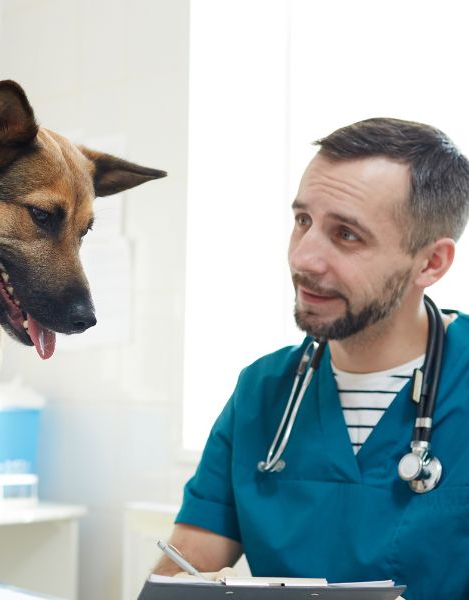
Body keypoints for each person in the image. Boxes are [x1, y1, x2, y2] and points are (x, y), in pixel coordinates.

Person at [154, 118, 469, 600]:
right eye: (303, 220)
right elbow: (182, 573)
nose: (304, 258)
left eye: (346, 235)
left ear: (430, 263)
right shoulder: (262, 392)